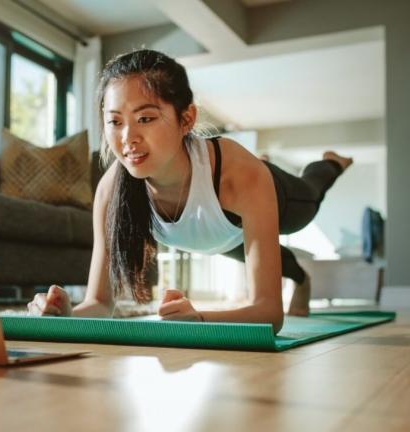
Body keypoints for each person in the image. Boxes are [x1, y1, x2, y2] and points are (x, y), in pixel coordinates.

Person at [27, 49, 353, 333]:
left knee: (311, 196)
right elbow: (99, 304)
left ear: (187, 119)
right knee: (269, 258)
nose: (128, 138)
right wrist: (65, 314)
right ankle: (302, 278)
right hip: (218, 234)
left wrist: (198, 318)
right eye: (115, 121)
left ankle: (331, 163)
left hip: (275, 197)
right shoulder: (111, 190)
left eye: (145, 118)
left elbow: (269, 313)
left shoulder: (239, 176)